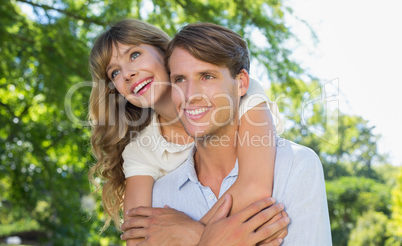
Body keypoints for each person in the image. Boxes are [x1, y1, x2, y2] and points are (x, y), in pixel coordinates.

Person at [122, 22, 332, 245]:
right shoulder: (161, 199)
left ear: (241, 84)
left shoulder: (296, 165)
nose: (190, 94)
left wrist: (194, 237)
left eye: (207, 76)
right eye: (180, 80)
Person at [88, 19, 286, 244]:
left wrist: (189, 233)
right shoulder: (140, 150)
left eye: (134, 55)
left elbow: (254, 187)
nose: (127, 74)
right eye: (114, 73)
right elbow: (137, 239)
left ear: (164, 52)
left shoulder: (237, 92)